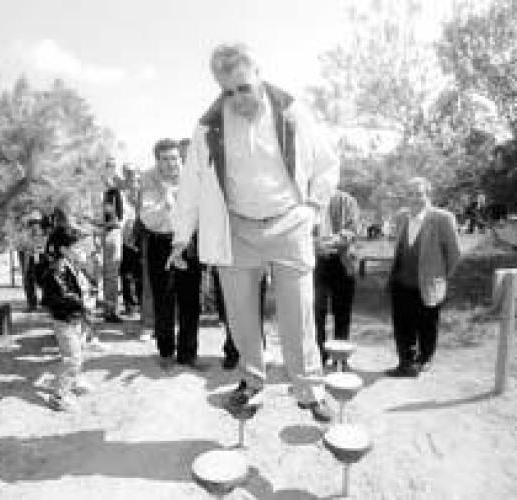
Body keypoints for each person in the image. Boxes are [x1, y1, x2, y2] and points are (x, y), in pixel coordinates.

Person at [169, 43, 339, 422]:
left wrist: (313, 208)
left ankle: (309, 389)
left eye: (244, 88)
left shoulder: (292, 111)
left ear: (259, 75)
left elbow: (327, 163)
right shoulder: (208, 125)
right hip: (236, 228)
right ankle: (251, 380)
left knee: (299, 314)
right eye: (228, 91)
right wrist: (182, 235)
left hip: (289, 223)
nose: (237, 99)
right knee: (241, 316)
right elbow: (191, 183)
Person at [386, 177, 461, 377]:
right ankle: (405, 363)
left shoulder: (442, 219)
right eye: (410, 194)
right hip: (400, 282)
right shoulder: (401, 217)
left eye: (419, 194)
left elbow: (454, 254)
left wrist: (441, 277)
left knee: (427, 325)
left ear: (428, 195)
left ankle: (424, 360)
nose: (414, 198)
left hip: (428, 284)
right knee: (402, 325)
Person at [140, 138, 203, 370]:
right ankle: (166, 353)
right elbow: (149, 218)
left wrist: (172, 203)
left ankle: (188, 354)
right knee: (164, 299)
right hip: (161, 243)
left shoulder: (191, 176)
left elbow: (199, 211)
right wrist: (168, 201)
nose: (171, 164)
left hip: (188, 243)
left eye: (175, 158)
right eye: (165, 159)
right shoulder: (149, 178)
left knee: (190, 301)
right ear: (157, 161)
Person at [40, 211, 95, 411]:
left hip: (75, 318)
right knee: (72, 358)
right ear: (64, 249)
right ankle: (59, 395)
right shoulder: (56, 271)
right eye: (76, 246)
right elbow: (61, 297)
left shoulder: (70, 265)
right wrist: (81, 303)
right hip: (65, 321)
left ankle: (75, 380)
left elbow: (81, 286)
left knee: (79, 350)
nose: (80, 249)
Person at [314, 189, 359, 367]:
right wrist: (316, 244)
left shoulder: (347, 200)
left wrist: (326, 242)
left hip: (342, 261)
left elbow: (351, 231)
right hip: (315, 262)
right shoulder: (308, 200)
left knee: (342, 313)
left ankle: (340, 358)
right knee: (316, 312)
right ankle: (318, 355)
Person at [100, 160, 124, 323]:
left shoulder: (115, 190)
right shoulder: (88, 188)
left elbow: (119, 217)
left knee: (111, 275)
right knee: (90, 274)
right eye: (107, 165)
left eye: (113, 166)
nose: (110, 169)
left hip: (111, 232)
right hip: (92, 233)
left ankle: (110, 311)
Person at [120, 164, 143, 316]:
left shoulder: (143, 193)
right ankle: (130, 305)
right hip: (126, 239)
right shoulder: (121, 195)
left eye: (133, 174)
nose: (132, 178)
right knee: (127, 273)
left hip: (141, 239)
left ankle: (141, 303)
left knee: (140, 273)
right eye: (128, 174)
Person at [17, 209, 45, 312]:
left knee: (33, 279)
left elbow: (37, 245)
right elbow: (24, 245)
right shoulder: (26, 231)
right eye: (33, 222)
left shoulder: (39, 231)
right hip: (28, 254)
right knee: (29, 280)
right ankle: (33, 304)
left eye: (37, 222)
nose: (35, 224)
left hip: (34, 255)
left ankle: (35, 304)